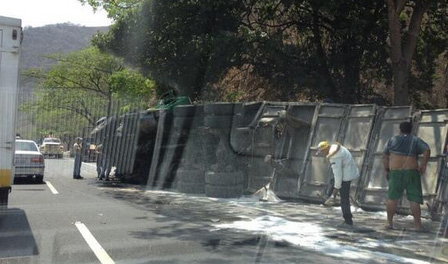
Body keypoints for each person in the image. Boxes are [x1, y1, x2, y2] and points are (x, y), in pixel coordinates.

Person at [382, 121, 430, 231]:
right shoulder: (415, 140)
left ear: (400, 129)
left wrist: (386, 170)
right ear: (411, 130)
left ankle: (389, 223)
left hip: (396, 172)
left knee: (392, 198)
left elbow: (385, 156)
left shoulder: (392, 140)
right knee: (414, 199)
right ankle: (417, 226)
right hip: (412, 172)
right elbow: (427, 149)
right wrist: (423, 164)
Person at [316, 141, 360, 227]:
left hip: (346, 176)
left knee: (344, 199)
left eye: (322, 151)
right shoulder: (336, 147)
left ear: (326, 149)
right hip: (349, 171)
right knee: (333, 182)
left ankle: (348, 221)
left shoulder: (335, 157)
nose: (322, 154)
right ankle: (329, 198)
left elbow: (338, 175)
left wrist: (335, 191)